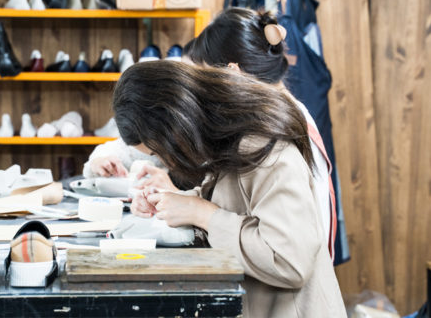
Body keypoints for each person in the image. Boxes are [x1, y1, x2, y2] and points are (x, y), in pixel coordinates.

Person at [84, 8, 336, 257]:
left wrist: (198, 211)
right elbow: (239, 207)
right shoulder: (249, 127)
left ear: (231, 75)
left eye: (202, 80)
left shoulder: (271, 139)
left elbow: (287, 252)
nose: (198, 95)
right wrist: (181, 201)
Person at [112, 61, 346, 317]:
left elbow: (288, 260)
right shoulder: (228, 138)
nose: (166, 162)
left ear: (175, 123)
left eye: (158, 151)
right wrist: (172, 203)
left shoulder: (263, 148)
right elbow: (232, 203)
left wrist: (201, 214)